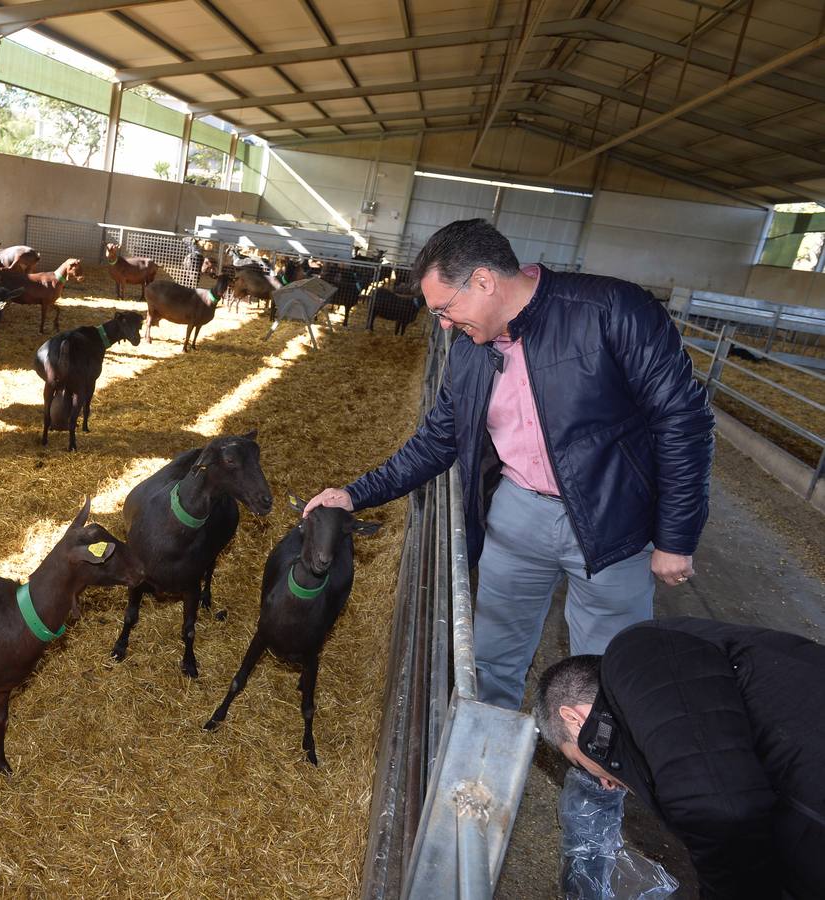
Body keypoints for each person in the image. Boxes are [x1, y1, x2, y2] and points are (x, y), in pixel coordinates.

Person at [305, 218, 715, 710]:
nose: (443, 324)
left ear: (483, 280)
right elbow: (439, 439)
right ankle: (484, 768)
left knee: (608, 671)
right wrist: (354, 494)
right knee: (492, 658)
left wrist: (676, 537)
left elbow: (683, 420)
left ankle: (596, 782)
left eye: (445, 309)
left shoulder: (613, 310)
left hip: (614, 520)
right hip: (518, 516)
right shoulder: (470, 352)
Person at [534, 617, 825, 899]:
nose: (600, 780)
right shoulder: (662, 725)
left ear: (573, 719)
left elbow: (719, 810)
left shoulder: (640, 652)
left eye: (578, 761)